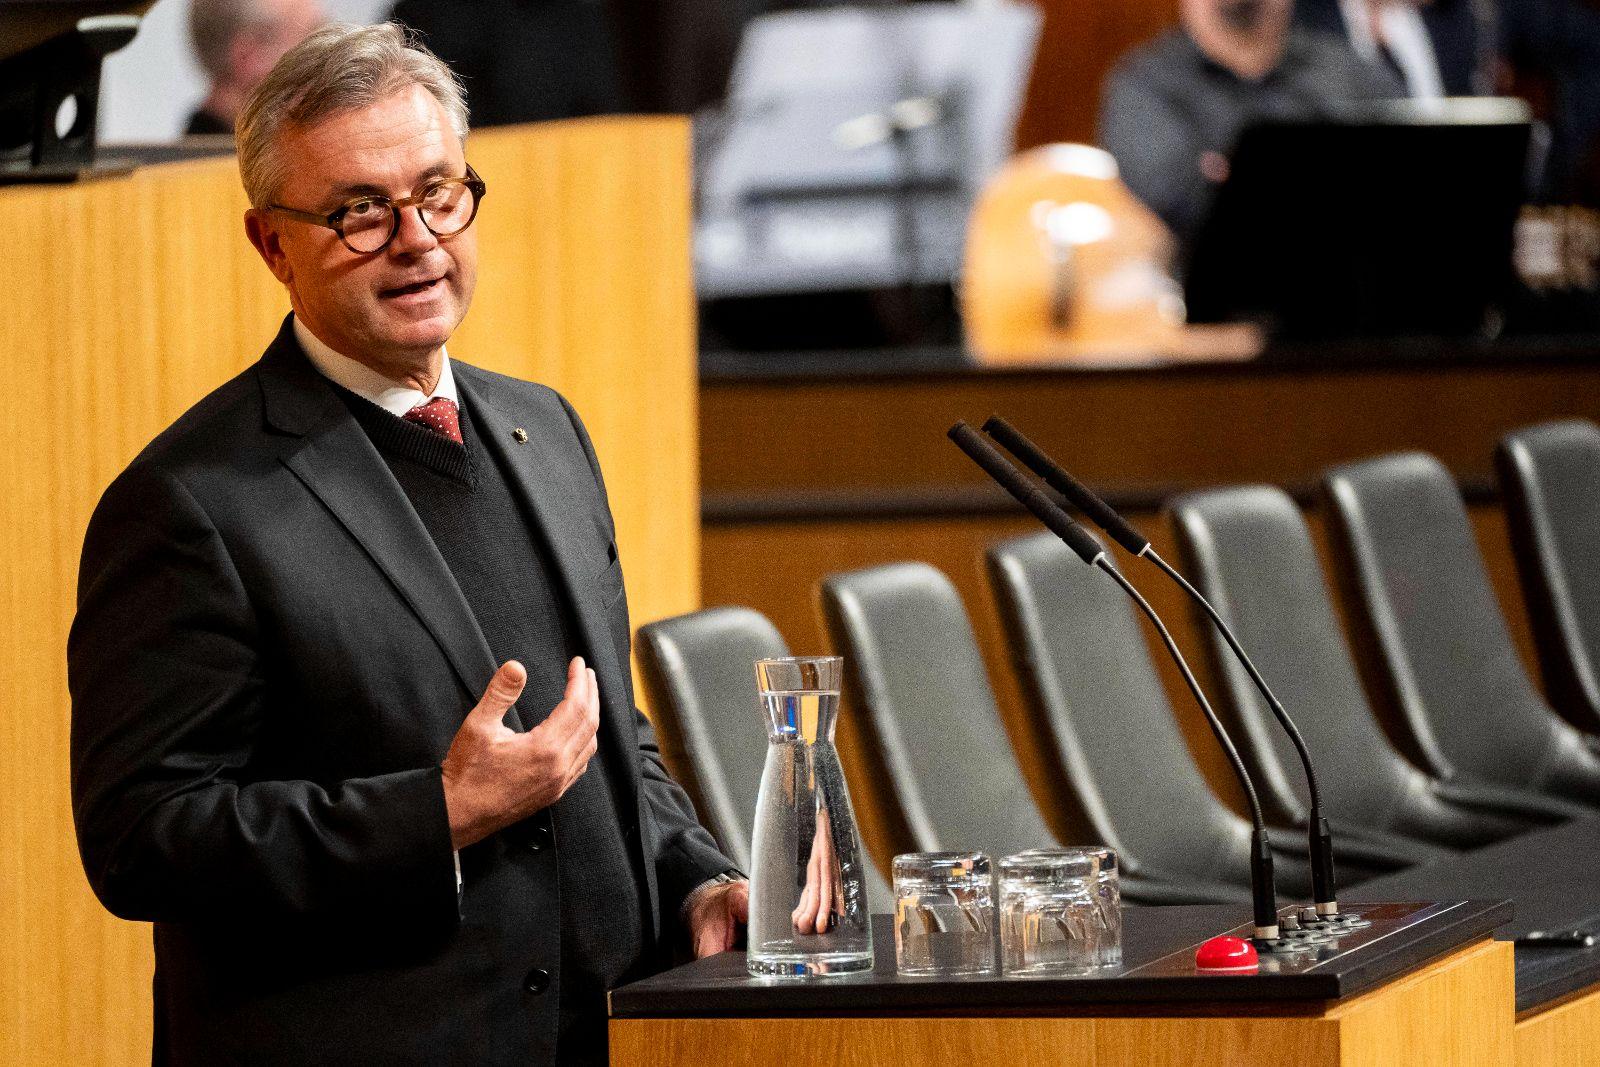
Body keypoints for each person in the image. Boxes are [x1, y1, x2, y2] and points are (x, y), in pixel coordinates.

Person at [68, 22, 747, 1065]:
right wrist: (432, 813)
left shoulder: (546, 428)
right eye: (359, 211)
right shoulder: (192, 500)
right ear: (271, 244)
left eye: (438, 192)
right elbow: (142, 836)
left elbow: (604, 729)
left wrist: (697, 872)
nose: (418, 238)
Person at [1097, 0, 1401, 253]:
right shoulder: (1146, 85)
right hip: (1204, 304)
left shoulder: (1350, 74)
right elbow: (1171, 202)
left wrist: (1235, 177)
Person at [185, 0, 326, 136]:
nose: (326, 55)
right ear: (247, 55)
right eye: (312, 36)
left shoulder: (182, 157)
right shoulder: (240, 158)